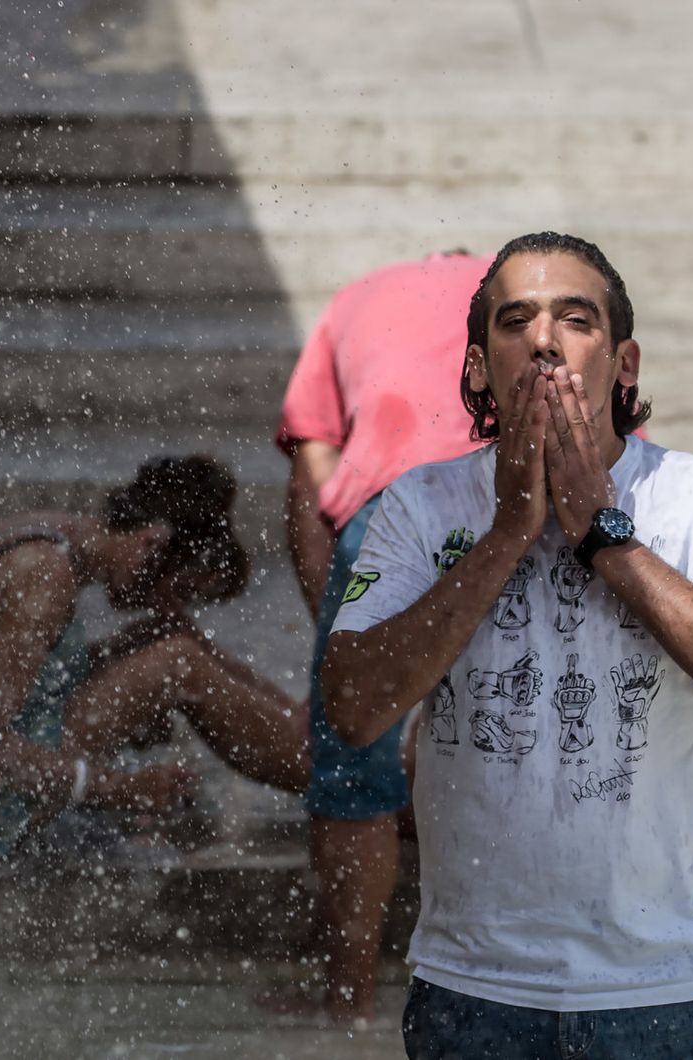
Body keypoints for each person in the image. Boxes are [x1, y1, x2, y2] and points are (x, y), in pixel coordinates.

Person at [324, 232, 693, 1058]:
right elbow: (354, 709)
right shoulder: (418, 508)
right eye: (515, 321)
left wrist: (604, 538)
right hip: (479, 997)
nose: (543, 339)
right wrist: (509, 531)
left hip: (689, 991)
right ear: (478, 368)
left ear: (624, 364)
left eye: (575, 319)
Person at [0, 454, 312, 866]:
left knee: (166, 640)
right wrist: (120, 789)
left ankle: (311, 730)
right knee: (176, 662)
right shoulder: (46, 576)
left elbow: (2, 679)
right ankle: (335, 778)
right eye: (178, 590)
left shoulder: (45, 532)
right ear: (152, 542)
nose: (168, 606)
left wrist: (114, 654)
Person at [272, 251, 491, 1023]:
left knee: (353, 766)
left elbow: (311, 479)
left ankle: (349, 999)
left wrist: (345, 655)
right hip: (511, 492)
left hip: (389, 504)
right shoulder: (536, 287)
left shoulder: (355, 300)